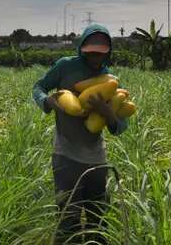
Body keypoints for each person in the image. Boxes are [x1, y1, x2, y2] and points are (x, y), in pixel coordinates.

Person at [33, 23, 128, 244]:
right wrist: (46, 101)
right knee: (68, 219)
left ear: (108, 52)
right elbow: (38, 87)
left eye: (100, 52)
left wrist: (108, 113)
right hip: (65, 156)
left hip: (96, 159)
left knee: (97, 220)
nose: (95, 57)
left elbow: (121, 126)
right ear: (82, 48)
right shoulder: (65, 67)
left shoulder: (110, 81)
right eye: (91, 52)